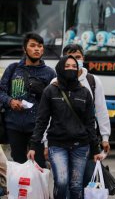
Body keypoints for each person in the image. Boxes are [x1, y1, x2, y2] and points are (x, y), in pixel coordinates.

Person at [27, 55, 102, 199]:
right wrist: (33, 145)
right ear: (60, 68)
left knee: (76, 186)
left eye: (74, 66)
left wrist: (96, 149)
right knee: (61, 182)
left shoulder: (84, 92)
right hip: (57, 145)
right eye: (67, 66)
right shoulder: (50, 91)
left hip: (81, 146)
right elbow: (42, 120)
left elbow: (90, 122)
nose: (71, 69)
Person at [0, 32, 56, 168]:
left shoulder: (49, 73)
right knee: (18, 167)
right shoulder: (13, 69)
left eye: (40, 46)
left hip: (38, 129)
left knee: (38, 166)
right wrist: (10, 101)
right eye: (32, 45)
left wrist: (42, 91)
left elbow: (54, 101)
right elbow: (1, 91)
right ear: (24, 49)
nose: (37, 49)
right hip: (14, 126)